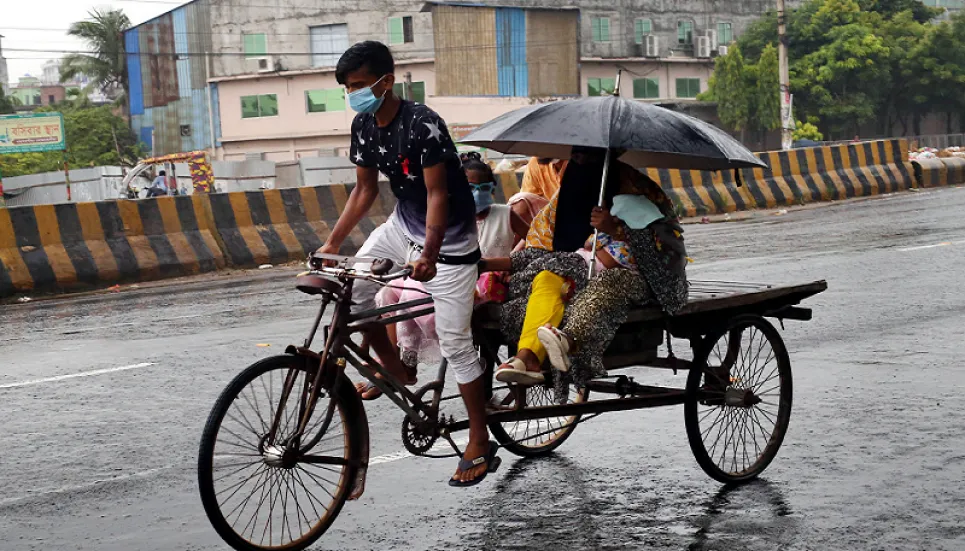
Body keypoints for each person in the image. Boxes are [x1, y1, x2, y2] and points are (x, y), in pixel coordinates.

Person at [314, 41, 496, 487]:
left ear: (386, 81)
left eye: (358, 85)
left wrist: (430, 255)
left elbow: (438, 194)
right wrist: (330, 243)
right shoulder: (363, 125)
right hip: (401, 226)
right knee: (351, 293)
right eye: (347, 88)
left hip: (449, 240)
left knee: (455, 342)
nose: (352, 94)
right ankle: (395, 367)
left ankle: (478, 438)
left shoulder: (423, 124)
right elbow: (364, 190)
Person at [483, 147, 688, 386]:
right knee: (546, 277)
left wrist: (616, 229)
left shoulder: (637, 191)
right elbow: (541, 250)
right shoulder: (565, 197)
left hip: (634, 279)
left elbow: (664, 253)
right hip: (577, 269)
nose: (579, 163)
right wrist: (488, 265)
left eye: (589, 157)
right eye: (576, 156)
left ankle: (569, 341)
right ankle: (527, 356)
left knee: (605, 283)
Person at [365, 153, 528, 398]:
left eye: (484, 188)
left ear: (493, 189)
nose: (478, 193)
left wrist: (509, 262)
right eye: (472, 188)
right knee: (388, 292)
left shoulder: (505, 214)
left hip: (483, 283)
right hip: (447, 276)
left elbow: (537, 239)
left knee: (411, 296)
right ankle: (396, 359)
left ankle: (404, 366)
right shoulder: (449, 216)